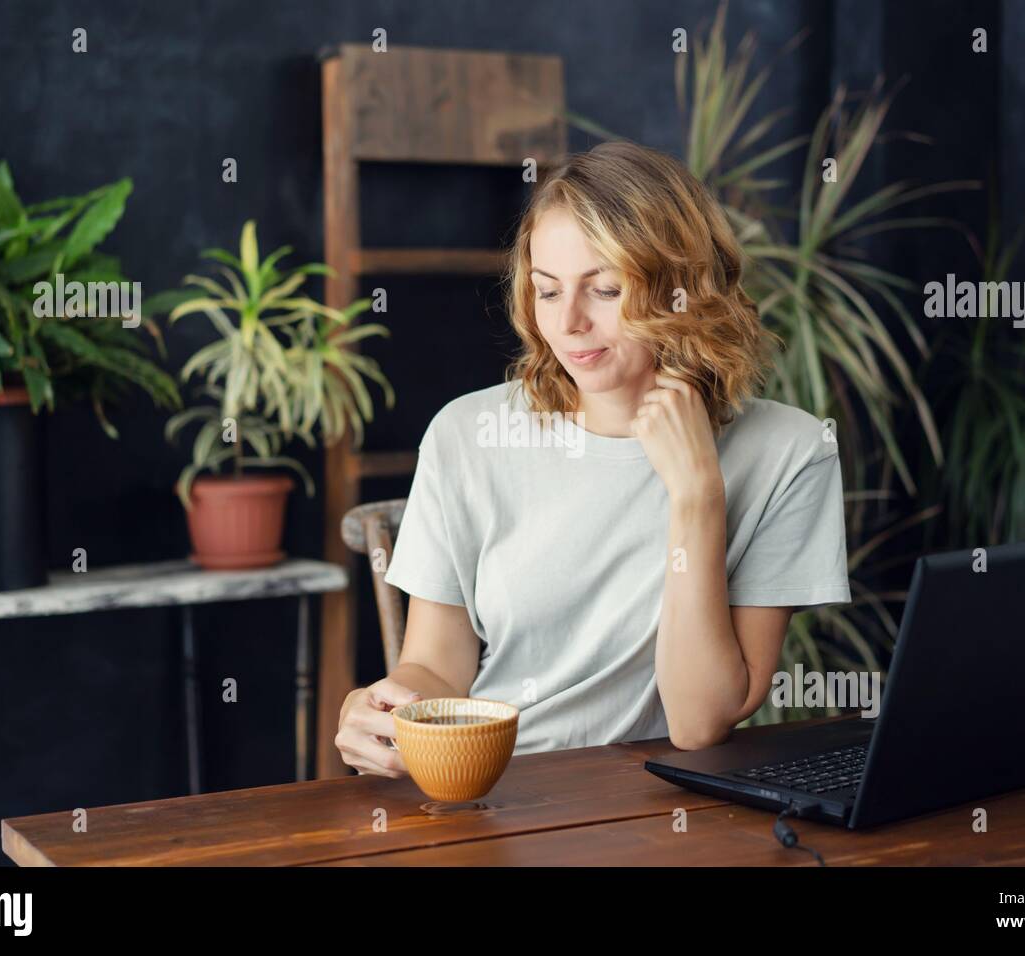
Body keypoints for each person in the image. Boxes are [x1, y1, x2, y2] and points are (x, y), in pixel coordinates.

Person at [336, 140, 851, 777]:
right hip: (499, 793)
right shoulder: (468, 433)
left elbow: (699, 722)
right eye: (548, 292)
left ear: (682, 289)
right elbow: (439, 664)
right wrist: (388, 707)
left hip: (670, 812)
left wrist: (696, 494)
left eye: (605, 290)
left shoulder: (790, 453)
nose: (570, 322)